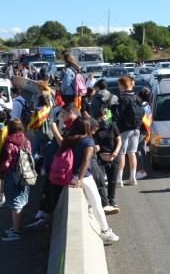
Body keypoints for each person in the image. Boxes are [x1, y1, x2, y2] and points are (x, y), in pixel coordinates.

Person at [60, 116, 119, 244]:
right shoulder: (88, 142)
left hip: (69, 177)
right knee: (97, 202)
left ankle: (98, 223)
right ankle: (105, 231)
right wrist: (80, 178)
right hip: (83, 176)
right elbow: (86, 161)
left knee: (92, 203)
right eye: (92, 129)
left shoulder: (69, 139)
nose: (94, 132)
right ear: (86, 128)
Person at [0, 119, 33, 240]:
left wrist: (1, 172)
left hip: (13, 175)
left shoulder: (9, 143)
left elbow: (6, 162)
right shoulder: (26, 141)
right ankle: (17, 227)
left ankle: (16, 232)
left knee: (15, 203)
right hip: (26, 174)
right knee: (22, 200)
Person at [115, 76, 146, 183]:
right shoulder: (137, 98)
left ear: (123, 85)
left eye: (119, 85)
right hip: (137, 128)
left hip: (124, 129)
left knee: (121, 153)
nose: (118, 87)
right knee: (132, 152)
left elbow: (118, 115)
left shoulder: (122, 99)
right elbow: (143, 112)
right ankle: (133, 177)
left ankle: (119, 179)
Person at [92, 107, 122, 213]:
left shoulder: (113, 126)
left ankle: (111, 200)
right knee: (100, 180)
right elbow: (93, 142)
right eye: (100, 118)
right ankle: (103, 201)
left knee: (112, 180)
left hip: (114, 157)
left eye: (104, 117)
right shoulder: (95, 129)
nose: (103, 119)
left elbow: (119, 140)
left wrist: (115, 153)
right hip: (101, 159)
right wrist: (97, 150)